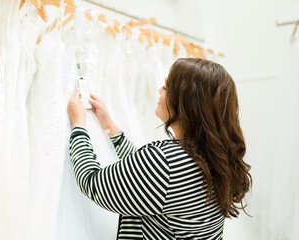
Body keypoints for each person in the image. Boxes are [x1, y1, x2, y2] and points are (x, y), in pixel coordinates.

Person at [67, 58, 252, 240]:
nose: (159, 90)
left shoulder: (165, 161)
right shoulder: (215, 157)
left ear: (185, 103)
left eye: (166, 87)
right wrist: (109, 126)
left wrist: (79, 125)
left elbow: (92, 183)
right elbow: (145, 178)